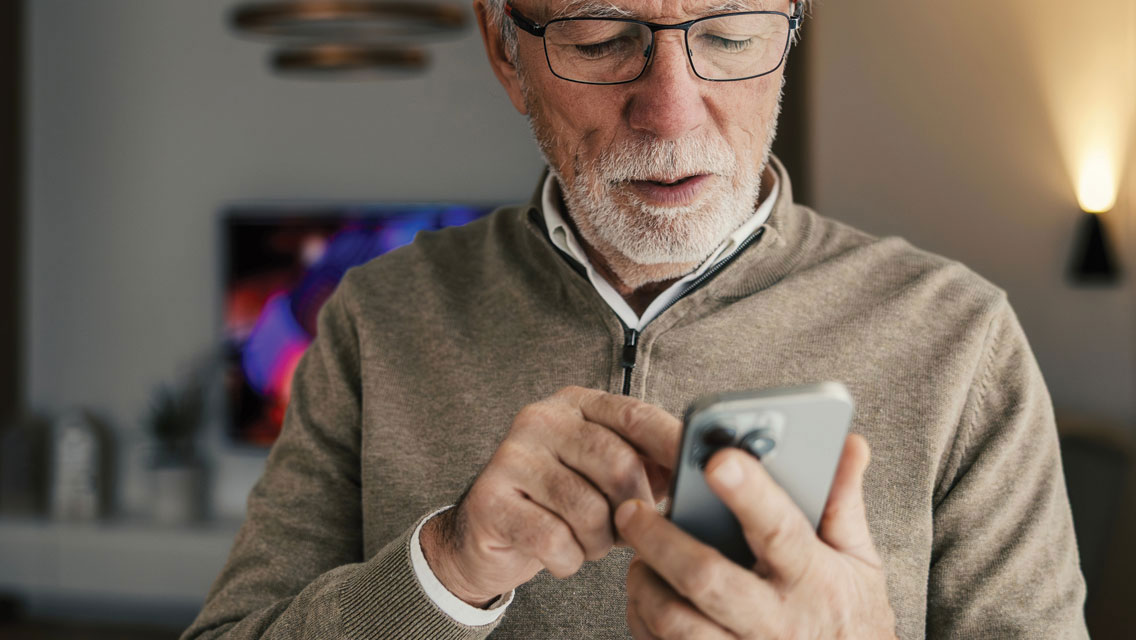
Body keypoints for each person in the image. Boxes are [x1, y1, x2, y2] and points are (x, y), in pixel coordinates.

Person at [183, 0, 1089, 638]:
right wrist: (445, 571)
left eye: (731, 34)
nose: (670, 113)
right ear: (505, 46)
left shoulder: (960, 339)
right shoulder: (375, 319)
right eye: (603, 35)